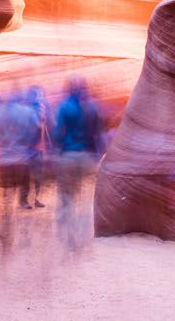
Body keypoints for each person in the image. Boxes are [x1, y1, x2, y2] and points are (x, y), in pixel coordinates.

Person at [52, 76, 105, 253]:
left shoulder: (65, 107)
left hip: (68, 156)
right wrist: (97, 155)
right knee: (85, 200)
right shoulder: (94, 107)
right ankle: (83, 237)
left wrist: (55, 154)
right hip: (88, 158)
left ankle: (68, 240)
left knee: (67, 199)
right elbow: (99, 134)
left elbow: (58, 134)